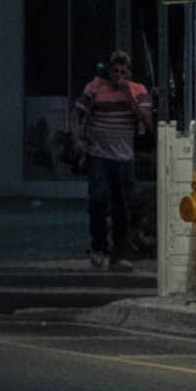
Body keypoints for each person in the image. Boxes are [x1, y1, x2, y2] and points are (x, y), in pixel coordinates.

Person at [71, 50, 152, 269]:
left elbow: (147, 121)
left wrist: (129, 97)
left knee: (123, 206)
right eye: (115, 71)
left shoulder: (138, 90)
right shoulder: (95, 87)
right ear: (109, 70)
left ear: (129, 72)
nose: (119, 75)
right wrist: (79, 140)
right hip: (99, 155)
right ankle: (98, 247)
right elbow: (78, 113)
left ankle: (120, 252)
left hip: (124, 157)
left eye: (123, 71)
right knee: (97, 200)